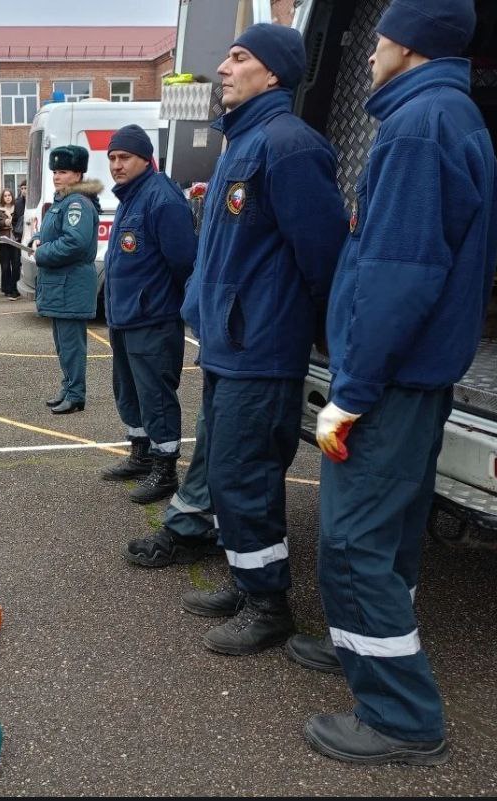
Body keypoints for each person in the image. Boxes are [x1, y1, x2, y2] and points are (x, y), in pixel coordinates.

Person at [300, 0, 497, 765]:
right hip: (418, 376)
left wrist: (351, 391)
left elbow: (397, 277)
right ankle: (365, 646)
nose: (370, 51)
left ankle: (400, 714)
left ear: (409, 45)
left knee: (352, 544)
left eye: (380, 38)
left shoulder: (417, 128)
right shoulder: (450, 115)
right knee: (390, 537)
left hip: (389, 381)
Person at [178, 24, 348, 654]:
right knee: (226, 476)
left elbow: (323, 255)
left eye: (239, 57)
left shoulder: (289, 146)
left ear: (272, 73)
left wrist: (318, 333)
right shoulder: (244, 141)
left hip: (262, 350)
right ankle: (245, 579)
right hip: (230, 346)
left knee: (245, 476)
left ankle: (269, 606)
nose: (223, 68)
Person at [97, 126, 196, 505]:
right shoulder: (130, 196)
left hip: (153, 319)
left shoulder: (162, 198)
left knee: (156, 396)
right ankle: (140, 455)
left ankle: (165, 469)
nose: (116, 165)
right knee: (129, 392)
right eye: (112, 158)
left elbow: (185, 263)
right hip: (125, 318)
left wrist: (174, 307)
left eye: (124, 157)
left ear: (145, 158)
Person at [29, 146, 100, 414]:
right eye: (55, 172)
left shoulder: (76, 203)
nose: (57, 176)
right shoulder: (63, 201)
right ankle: (69, 387)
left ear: (78, 174)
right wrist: (37, 239)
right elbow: (51, 233)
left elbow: (75, 242)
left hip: (71, 285)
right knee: (64, 345)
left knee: (72, 346)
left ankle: (76, 394)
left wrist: (42, 253)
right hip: (61, 286)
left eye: (63, 172)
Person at [0, 188, 22, 300]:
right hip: (4, 241)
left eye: (9, 195)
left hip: (15, 240)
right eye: (5, 195)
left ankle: (15, 289)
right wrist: (4, 222)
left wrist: (11, 220)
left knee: (16, 265)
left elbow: (20, 221)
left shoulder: (17, 207)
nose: (7, 197)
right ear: (2, 197)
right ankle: (7, 288)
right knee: (5, 266)